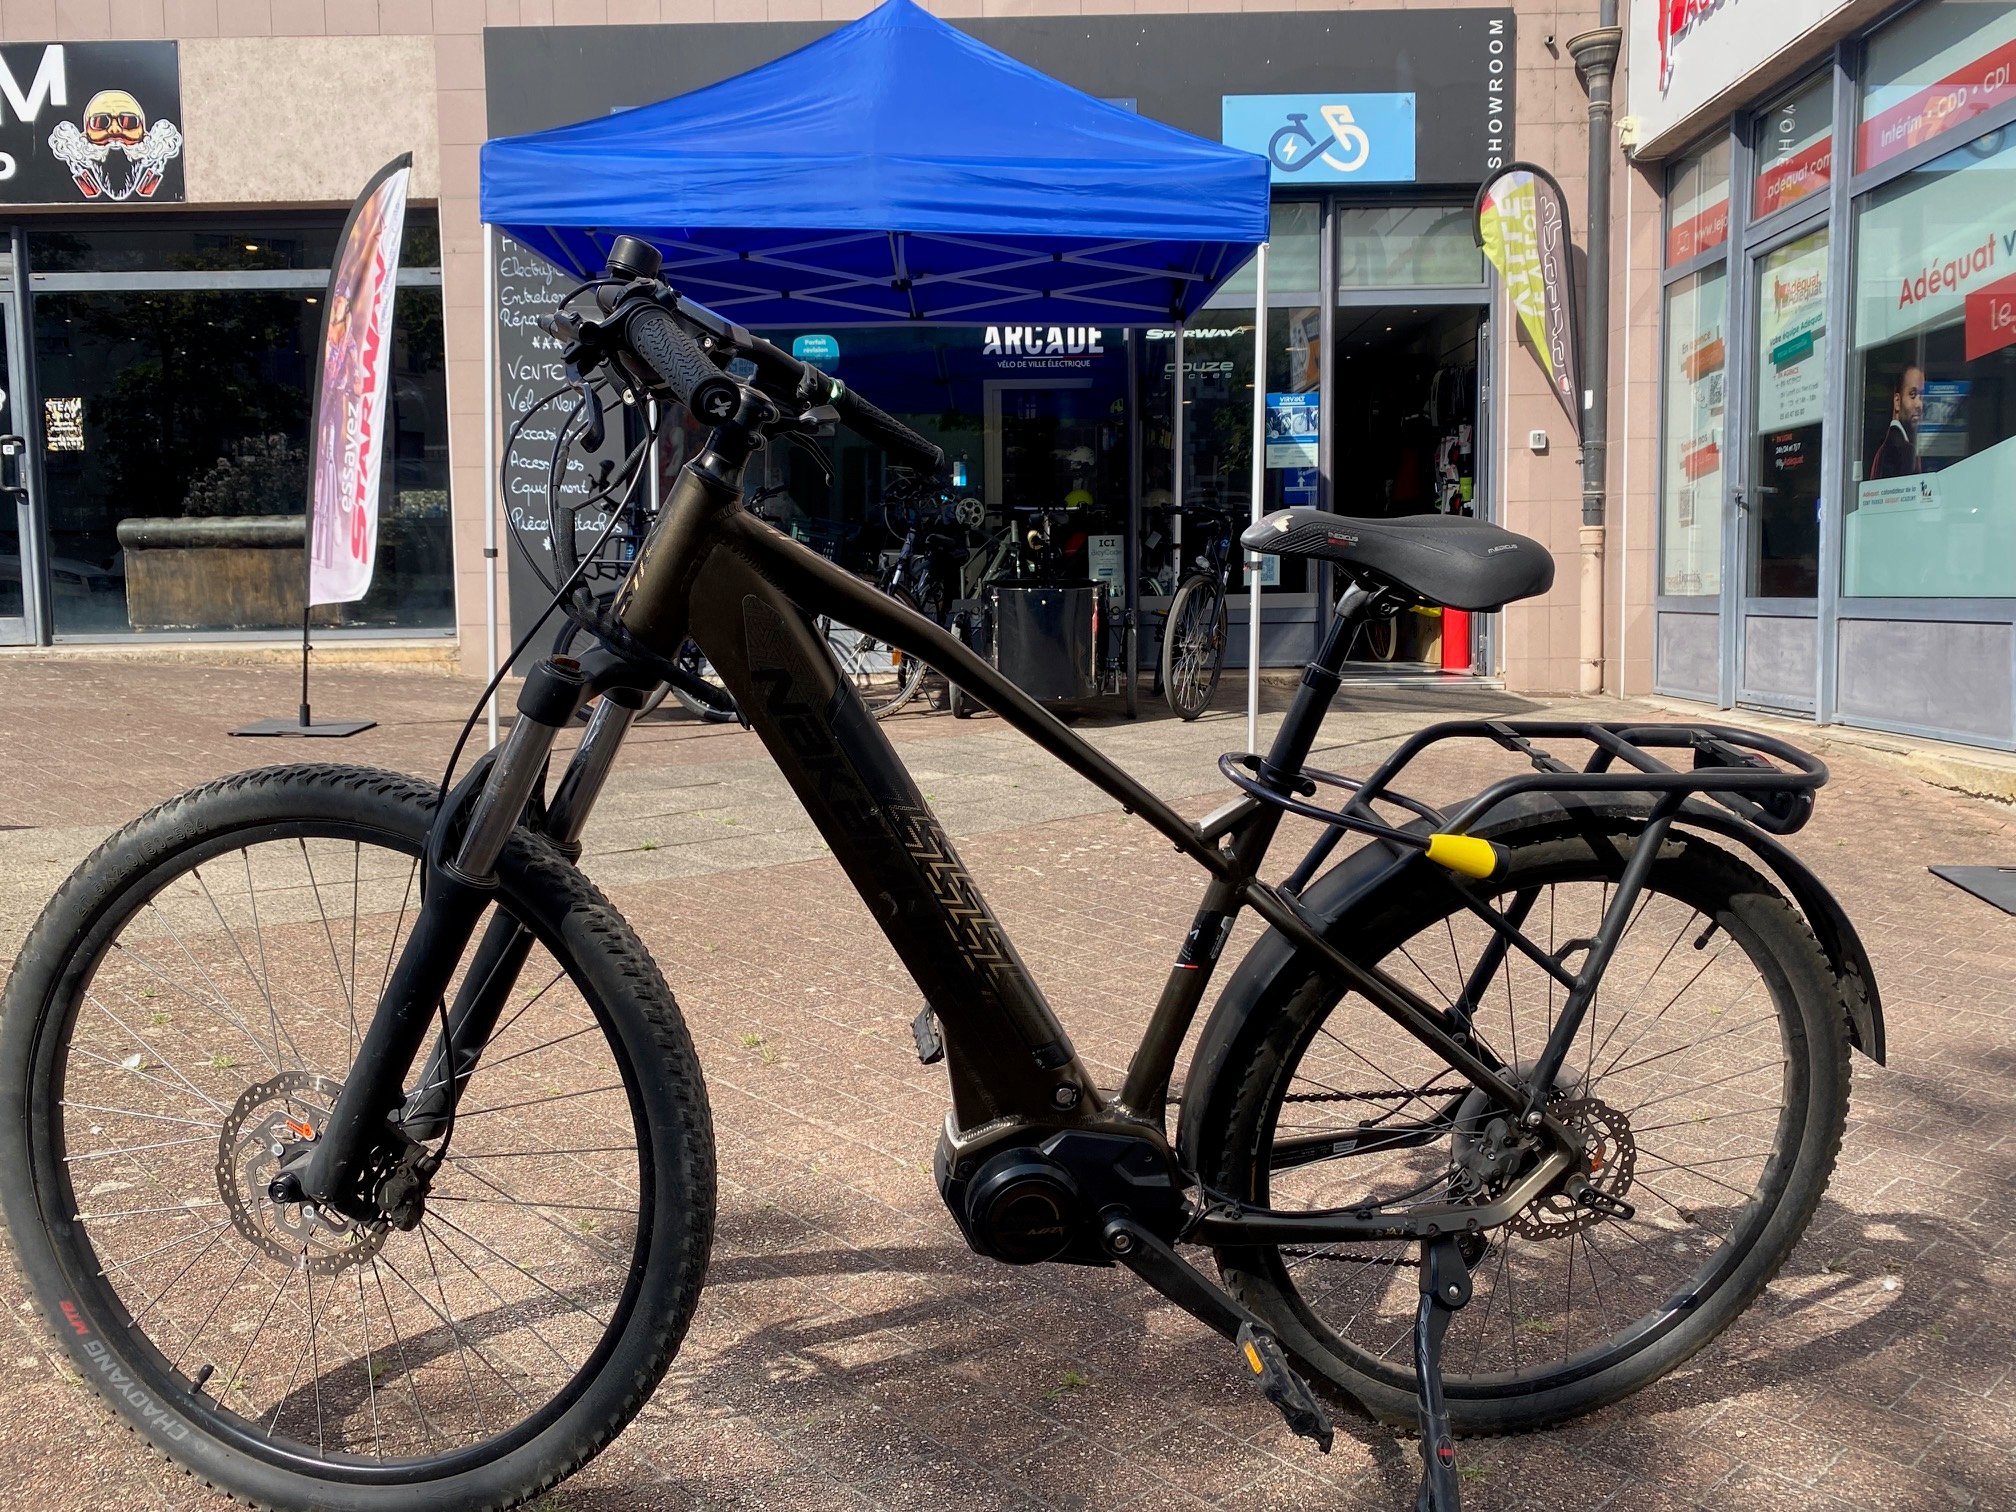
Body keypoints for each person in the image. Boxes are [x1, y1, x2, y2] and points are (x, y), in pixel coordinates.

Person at [1868, 363, 1924, 480]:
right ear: (1897, 401)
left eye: (1921, 396)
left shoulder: (1885, 448)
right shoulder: (1903, 451)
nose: (1919, 404)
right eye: (1912, 395)